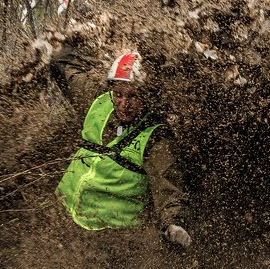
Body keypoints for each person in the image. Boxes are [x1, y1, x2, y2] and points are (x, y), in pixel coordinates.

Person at [53, 49, 191, 247]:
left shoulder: (156, 138)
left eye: (133, 96)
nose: (123, 104)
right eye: (118, 94)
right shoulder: (98, 101)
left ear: (148, 97)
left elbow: (168, 188)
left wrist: (173, 224)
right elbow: (63, 66)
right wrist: (70, 42)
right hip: (63, 215)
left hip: (111, 237)